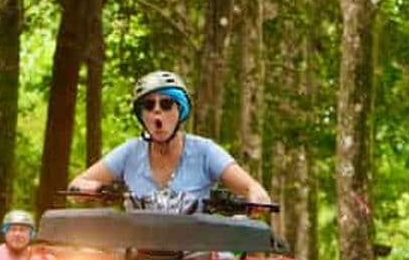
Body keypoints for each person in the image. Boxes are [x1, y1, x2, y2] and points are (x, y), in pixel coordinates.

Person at [68, 70, 271, 209]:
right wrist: (97, 189)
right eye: (149, 106)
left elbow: (252, 188)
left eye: (166, 104)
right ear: (142, 116)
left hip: (196, 251)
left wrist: (256, 198)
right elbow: (76, 186)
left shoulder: (206, 151)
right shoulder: (129, 152)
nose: (157, 111)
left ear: (180, 110)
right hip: (138, 248)